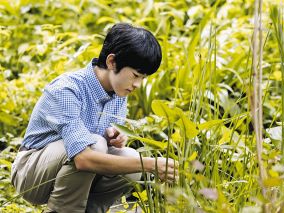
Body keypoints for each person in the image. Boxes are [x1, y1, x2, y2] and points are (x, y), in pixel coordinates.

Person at [10, 23, 177, 213]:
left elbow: (105, 152)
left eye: (143, 78)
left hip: (73, 172)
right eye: (135, 75)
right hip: (31, 174)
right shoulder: (67, 89)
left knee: (130, 159)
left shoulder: (118, 92)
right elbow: (83, 159)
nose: (138, 84)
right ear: (112, 62)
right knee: (95, 144)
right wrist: (150, 164)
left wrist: (115, 140)